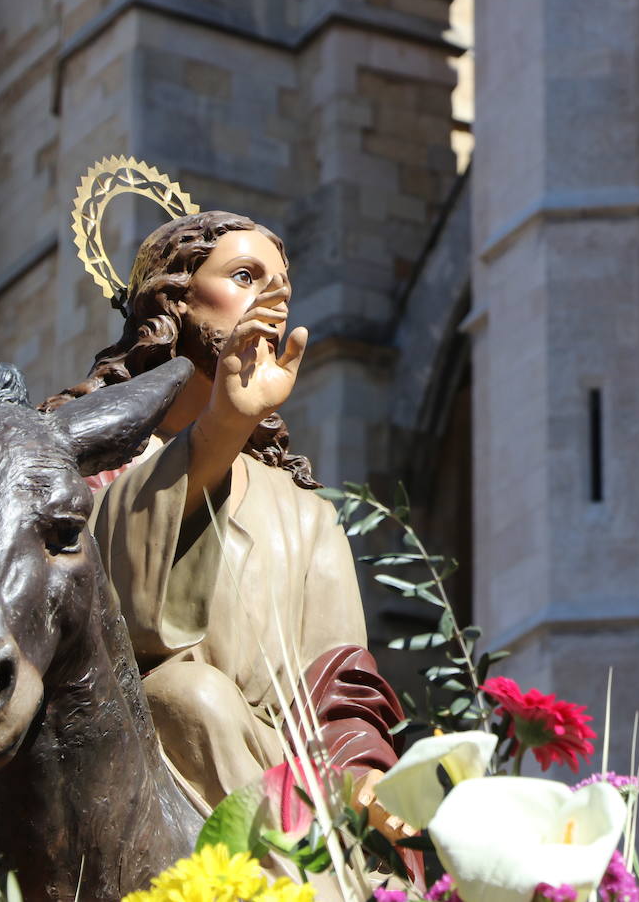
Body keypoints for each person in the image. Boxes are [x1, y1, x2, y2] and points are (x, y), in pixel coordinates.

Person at [43, 210, 412, 853]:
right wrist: (218, 431)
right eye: (244, 276)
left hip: (287, 782)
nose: (269, 302)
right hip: (116, 773)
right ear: (174, 299)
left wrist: (361, 777)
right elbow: (103, 617)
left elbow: (338, 685)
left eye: (283, 290)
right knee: (187, 696)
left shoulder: (305, 514)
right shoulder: (82, 461)